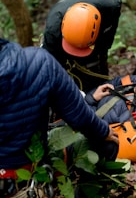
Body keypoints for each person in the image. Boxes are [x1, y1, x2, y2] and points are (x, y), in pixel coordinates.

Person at [0, 38, 119, 197]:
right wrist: (104, 131)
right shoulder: (39, 61)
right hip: (30, 170)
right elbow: (80, 117)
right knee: (107, 144)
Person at [41, 0, 122, 93]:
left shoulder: (111, 5)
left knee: (96, 66)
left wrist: (103, 47)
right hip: (61, 46)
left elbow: (109, 32)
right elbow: (51, 63)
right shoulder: (53, 30)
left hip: (98, 35)